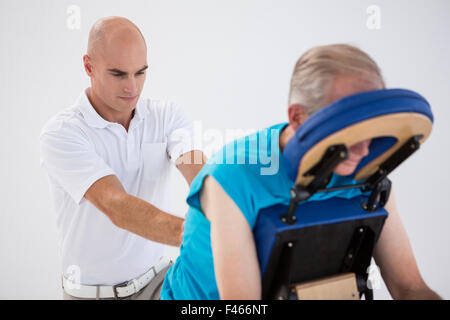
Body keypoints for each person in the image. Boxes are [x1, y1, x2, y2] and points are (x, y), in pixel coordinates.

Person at [160, 44, 442, 300]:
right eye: (348, 128)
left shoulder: (368, 172)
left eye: (369, 128)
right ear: (297, 117)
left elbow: (410, 288)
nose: (364, 149)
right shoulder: (232, 177)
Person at [39, 16, 206, 300]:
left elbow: (198, 172)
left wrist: (224, 215)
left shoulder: (165, 115)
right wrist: (202, 237)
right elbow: (116, 206)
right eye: (119, 74)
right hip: (92, 295)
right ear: (88, 66)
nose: (132, 87)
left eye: (140, 73)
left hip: (160, 281)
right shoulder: (63, 132)